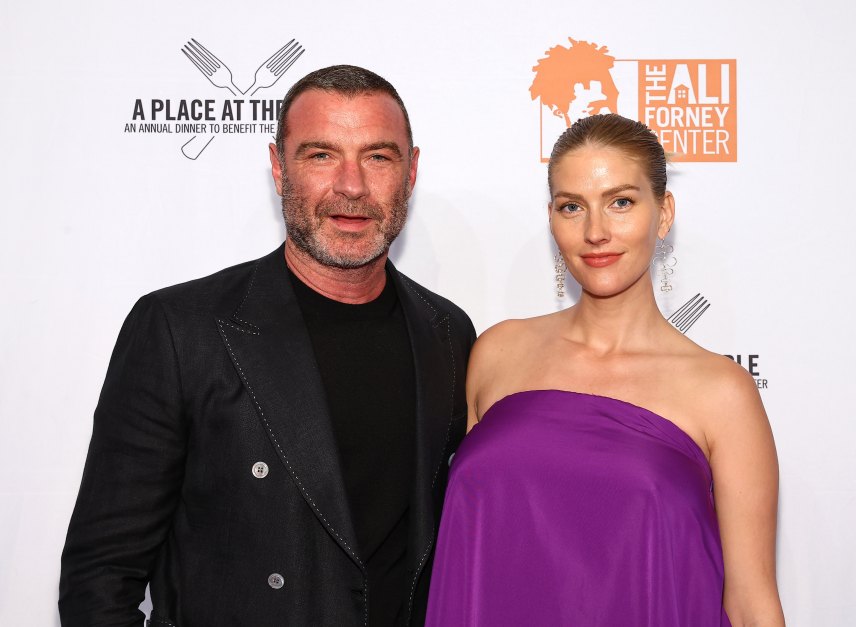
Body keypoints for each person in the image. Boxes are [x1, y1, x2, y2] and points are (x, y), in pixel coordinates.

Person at [59, 65, 475, 627]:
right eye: (321, 155)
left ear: (411, 170)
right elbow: (99, 578)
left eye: (378, 157)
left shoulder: (447, 332)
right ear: (279, 167)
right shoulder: (180, 329)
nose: (351, 186)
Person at [425, 114, 784, 626]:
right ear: (552, 219)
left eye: (621, 202)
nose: (596, 232)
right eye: (573, 207)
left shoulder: (721, 392)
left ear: (664, 214)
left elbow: (751, 605)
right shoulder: (497, 352)